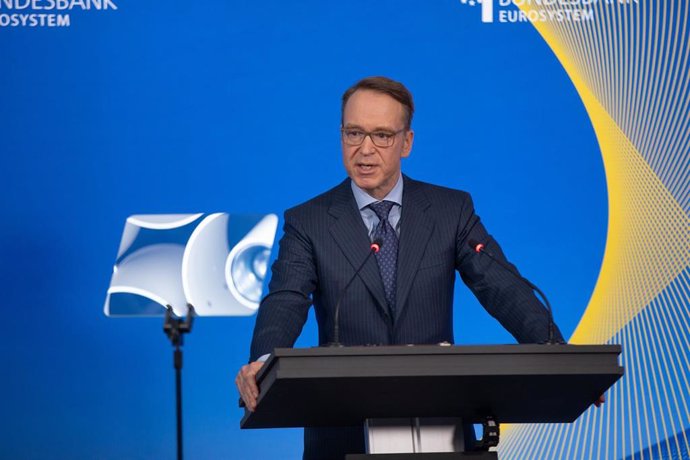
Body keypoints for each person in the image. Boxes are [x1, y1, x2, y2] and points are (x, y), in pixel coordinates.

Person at [236, 76, 565, 460]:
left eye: (382, 136)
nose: (365, 150)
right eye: (354, 133)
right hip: (344, 430)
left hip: (439, 420)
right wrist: (261, 365)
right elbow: (287, 298)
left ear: (406, 142)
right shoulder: (309, 221)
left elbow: (499, 285)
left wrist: (555, 352)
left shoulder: (449, 211)